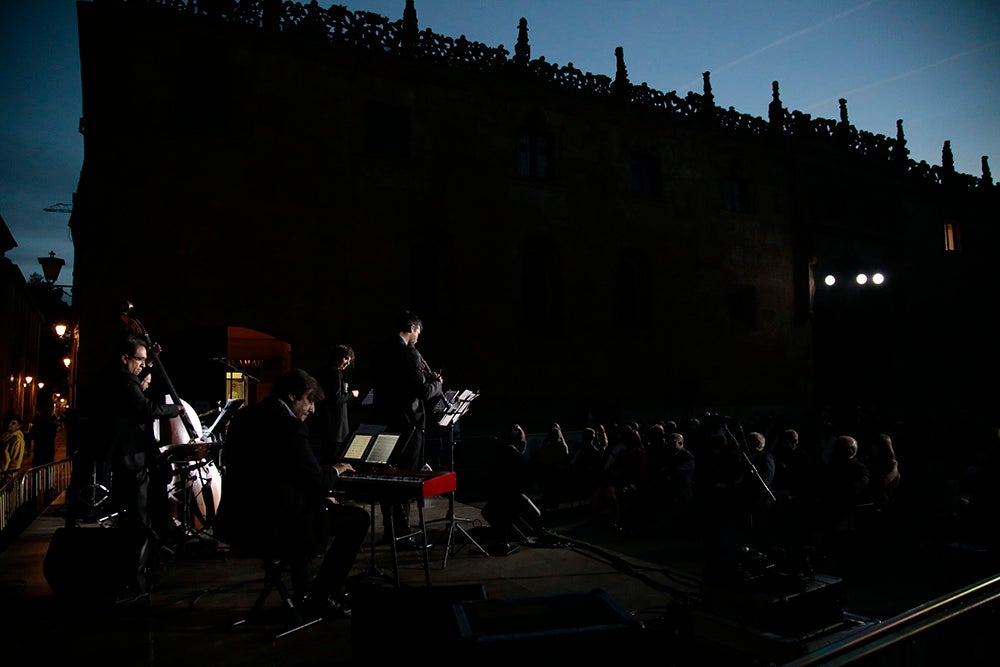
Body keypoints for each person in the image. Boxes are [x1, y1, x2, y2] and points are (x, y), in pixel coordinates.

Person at [218, 368, 370, 618]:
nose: (312, 409)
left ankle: (305, 594)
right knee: (357, 520)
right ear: (291, 395)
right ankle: (322, 596)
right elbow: (318, 481)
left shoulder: (244, 417)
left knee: (310, 510)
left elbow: (275, 473)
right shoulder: (289, 426)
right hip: (277, 524)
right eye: (309, 400)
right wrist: (336, 470)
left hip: (240, 520)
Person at [369, 310, 444, 547]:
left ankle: (390, 528)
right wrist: (436, 384)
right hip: (408, 424)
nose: (418, 337)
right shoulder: (409, 353)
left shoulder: (380, 350)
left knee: (388, 477)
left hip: (384, 420)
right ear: (412, 327)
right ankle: (401, 532)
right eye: (418, 332)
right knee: (405, 478)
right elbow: (421, 392)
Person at [311, 343, 360, 464]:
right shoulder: (335, 373)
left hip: (324, 425)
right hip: (336, 427)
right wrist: (351, 394)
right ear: (338, 356)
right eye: (346, 359)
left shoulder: (322, 371)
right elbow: (336, 399)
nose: (347, 363)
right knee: (333, 461)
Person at [26, 400, 60, 466]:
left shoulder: (37, 424)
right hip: (49, 449)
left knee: (36, 467)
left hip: (39, 448)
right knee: (48, 467)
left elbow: (32, 435)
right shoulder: (52, 425)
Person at [1, 412, 26, 480]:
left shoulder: (17, 440)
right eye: (8, 422)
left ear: (18, 426)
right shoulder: (4, 435)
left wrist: (9, 478)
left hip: (3, 477)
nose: (9, 425)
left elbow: (16, 461)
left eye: (13, 423)